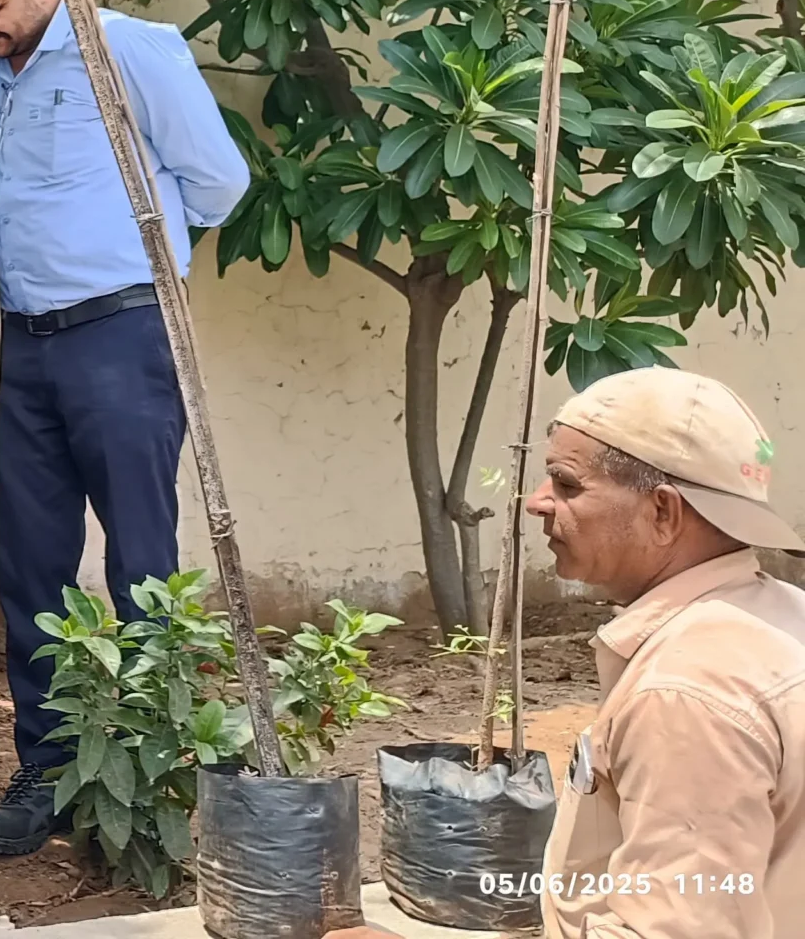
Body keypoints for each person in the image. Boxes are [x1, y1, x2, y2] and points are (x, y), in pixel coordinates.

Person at [0, 0, 252, 858]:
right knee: (29, 560)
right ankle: (49, 767)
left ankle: (152, 770)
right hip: (18, 342)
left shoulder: (133, 51)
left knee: (142, 554)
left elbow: (218, 182)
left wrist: (140, 260)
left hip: (122, 330)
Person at [326, 367, 805, 939]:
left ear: (663, 512)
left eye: (567, 483)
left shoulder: (685, 693)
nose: (537, 502)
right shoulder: (779, 615)